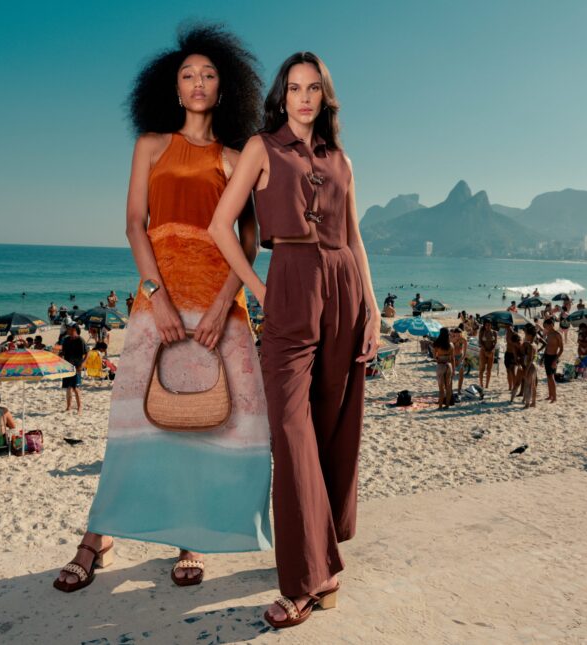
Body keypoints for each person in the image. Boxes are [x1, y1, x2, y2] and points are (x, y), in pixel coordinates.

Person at [54, 26, 272, 596]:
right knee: (134, 421)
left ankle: (191, 537)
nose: (197, 83)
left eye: (208, 75)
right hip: (158, 302)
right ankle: (96, 539)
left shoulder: (235, 155)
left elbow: (248, 238)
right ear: (173, 89)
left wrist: (227, 300)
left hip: (224, 305)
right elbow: (134, 223)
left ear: (225, 88)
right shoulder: (149, 145)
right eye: (187, 75)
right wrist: (157, 295)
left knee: (216, 420)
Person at [209, 51, 378, 628]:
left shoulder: (341, 161)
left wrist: (374, 310)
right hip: (289, 281)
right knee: (288, 427)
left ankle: (321, 555)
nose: (303, 97)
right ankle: (310, 577)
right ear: (282, 96)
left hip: (344, 286)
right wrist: (257, 286)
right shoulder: (261, 148)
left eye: (313, 88)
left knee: (332, 421)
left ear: (324, 97)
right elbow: (219, 225)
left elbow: (354, 238)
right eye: (294, 88)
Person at [60, 324, 86, 413]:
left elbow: (87, 353)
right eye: (68, 329)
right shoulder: (66, 340)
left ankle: (80, 408)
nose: (68, 331)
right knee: (68, 387)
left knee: (75, 388)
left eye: (70, 329)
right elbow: (63, 352)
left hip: (76, 366)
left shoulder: (80, 340)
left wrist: (82, 364)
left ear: (75, 330)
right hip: (66, 366)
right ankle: (68, 407)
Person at [542, 318, 563, 403]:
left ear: (551, 324)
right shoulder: (548, 334)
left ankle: (554, 397)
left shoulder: (557, 334)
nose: (545, 327)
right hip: (547, 356)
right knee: (548, 377)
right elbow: (547, 346)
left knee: (552, 377)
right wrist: (542, 357)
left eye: (546, 326)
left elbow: (561, 349)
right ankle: (550, 395)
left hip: (553, 357)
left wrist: (555, 360)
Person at [433, 328, 455, 408]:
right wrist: (454, 370)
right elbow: (453, 358)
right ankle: (447, 405)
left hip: (441, 365)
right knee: (448, 387)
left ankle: (440, 406)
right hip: (449, 365)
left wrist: (438, 358)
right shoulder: (451, 345)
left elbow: (435, 356)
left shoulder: (437, 344)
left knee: (441, 387)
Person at [520, 324, 539, 408]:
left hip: (530, 366)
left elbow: (530, 359)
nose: (525, 336)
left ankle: (527, 403)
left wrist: (526, 370)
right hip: (534, 366)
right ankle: (533, 402)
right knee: (533, 384)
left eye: (526, 334)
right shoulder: (534, 344)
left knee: (528, 385)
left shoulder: (531, 346)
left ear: (530, 336)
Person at [477, 318, 497, 390]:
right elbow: (480, 342)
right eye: (486, 325)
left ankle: (487, 385)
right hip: (483, 351)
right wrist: (485, 350)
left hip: (491, 352)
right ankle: (481, 384)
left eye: (489, 325)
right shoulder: (482, 332)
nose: (488, 326)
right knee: (482, 369)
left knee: (489, 369)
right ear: (484, 325)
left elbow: (495, 343)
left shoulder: (494, 332)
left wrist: (491, 350)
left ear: (491, 325)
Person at [504, 327, 523, 396]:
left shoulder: (514, 334)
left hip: (512, 353)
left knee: (512, 371)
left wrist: (517, 358)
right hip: (507, 353)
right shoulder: (506, 333)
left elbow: (518, 344)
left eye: (507, 324)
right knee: (508, 371)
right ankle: (510, 386)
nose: (506, 326)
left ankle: (514, 387)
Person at [451, 326, 467, 394]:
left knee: (461, 374)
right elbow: (449, 351)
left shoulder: (463, 340)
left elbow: (465, 352)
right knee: (451, 374)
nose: (457, 335)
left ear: (461, 333)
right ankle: (450, 389)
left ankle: (459, 389)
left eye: (459, 333)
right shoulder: (451, 340)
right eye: (456, 333)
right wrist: (453, 359)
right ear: (454, 334)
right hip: (453, 356)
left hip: (460, 356)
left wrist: (461, 359)